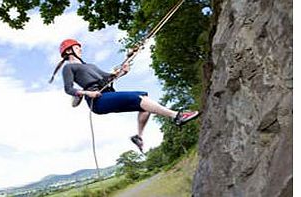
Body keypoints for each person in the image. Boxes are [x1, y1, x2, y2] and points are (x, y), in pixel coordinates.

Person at [49, 38, 200, 153]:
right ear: (69, 51)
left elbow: (109, 78)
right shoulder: (69, 68)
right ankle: (177, 116)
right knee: (139, 99)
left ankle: (139, 136)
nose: (80, 49)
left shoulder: (91, 66)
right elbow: (68, 89)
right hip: (98, 101)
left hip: (108, 94)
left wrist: (123, 71)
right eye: (77, 47)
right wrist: (87, 93)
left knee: (144, 100)